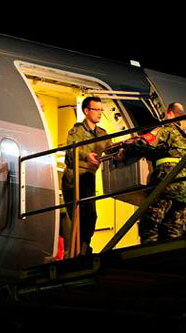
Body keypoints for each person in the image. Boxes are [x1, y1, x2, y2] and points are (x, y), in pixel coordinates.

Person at [117, 102, 186, 244]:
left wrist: (125, 153)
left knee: (149, 223)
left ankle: (148, 252)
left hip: (166, 180)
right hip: (184, 184)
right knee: (173, 228)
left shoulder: (166, 130)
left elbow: (145, 143)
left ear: (169, 114)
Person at [62, 96, 111, 255]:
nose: (99, 113)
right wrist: (85, 155)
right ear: (86, 111)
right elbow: (71, 149)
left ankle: (83, 247)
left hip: (89, 178)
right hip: (75, 177)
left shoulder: (102, 134)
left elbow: (111, 148)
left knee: (91, 216)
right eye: (96, 109)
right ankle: (77, 250)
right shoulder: (77, 131)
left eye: (101, 110)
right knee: (79, 216)